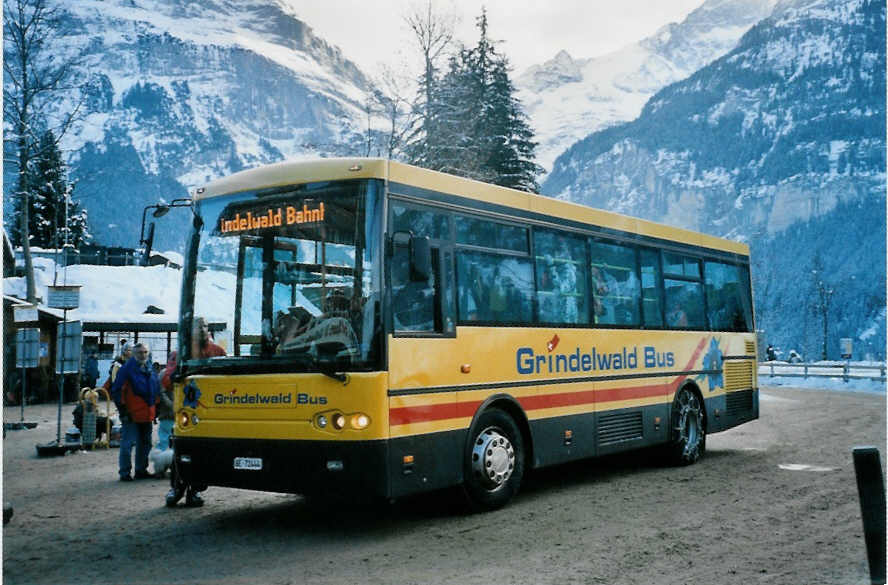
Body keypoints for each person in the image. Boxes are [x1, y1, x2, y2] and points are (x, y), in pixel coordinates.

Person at [110, 343, 159, 481]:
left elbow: (155, 389)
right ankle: (125, 473)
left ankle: (140, 470)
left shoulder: (149, 368)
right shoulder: (126, 370)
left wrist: (156, 409)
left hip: (147, 413)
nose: (142, 355)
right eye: (139, 353)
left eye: (144, 352)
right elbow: (118, 391)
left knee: (145, 443)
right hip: (132, 414)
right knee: (128, 443)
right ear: (133, 354)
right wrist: (123, 411)